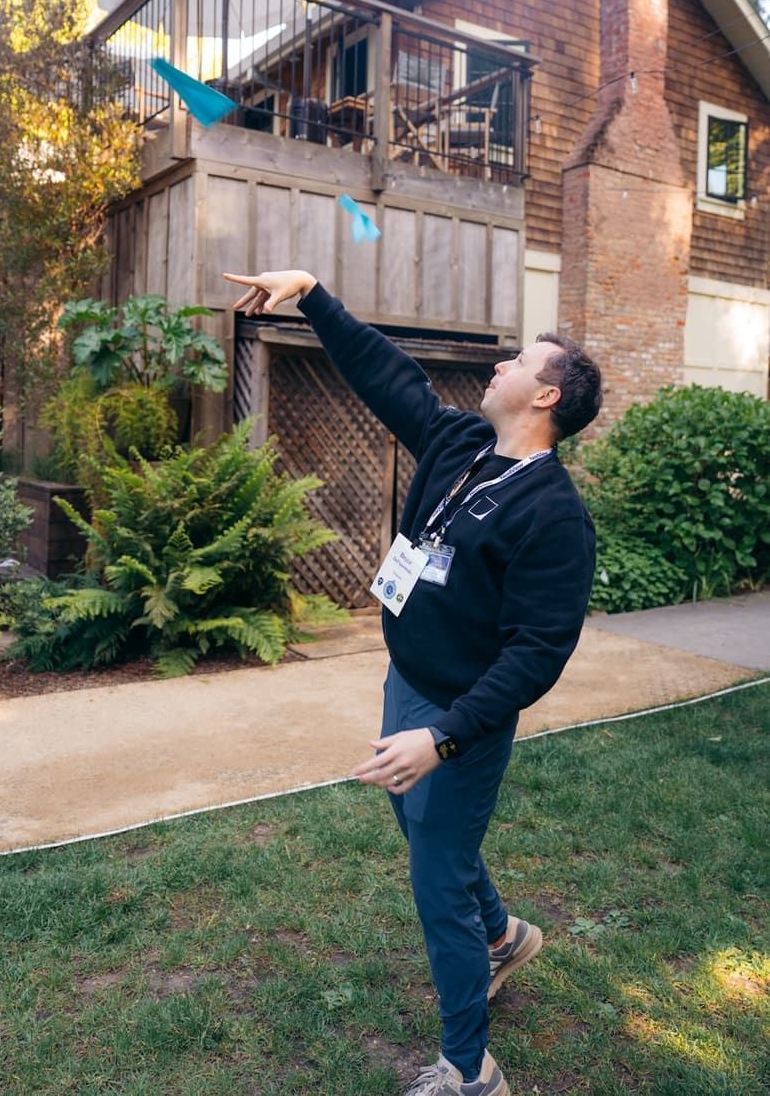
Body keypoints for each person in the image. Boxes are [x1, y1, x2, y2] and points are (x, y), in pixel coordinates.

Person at [225, 269, 603, 1096]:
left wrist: (444, 735)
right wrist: (314, 295)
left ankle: (470, 1070)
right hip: (409, 684)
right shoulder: (463, 446)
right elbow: (387, 375)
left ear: (545, 398)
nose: (498, 367)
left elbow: (537, 651)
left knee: (437, 884)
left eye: (516, 363)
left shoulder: (554, 516)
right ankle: (503, 937)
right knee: (432, 840)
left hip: (459, 717)